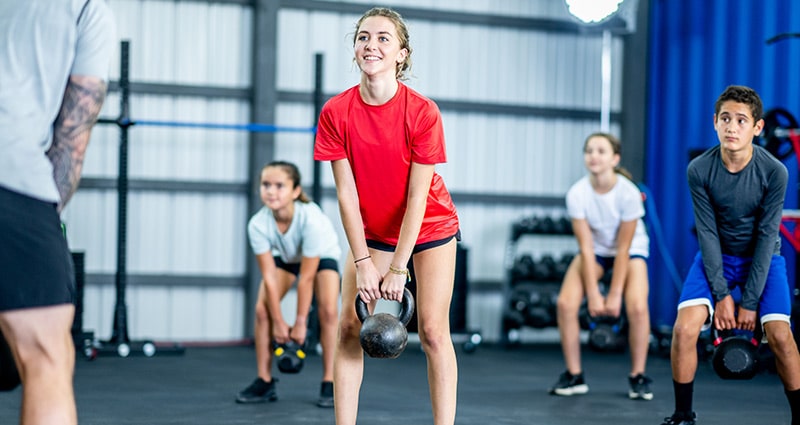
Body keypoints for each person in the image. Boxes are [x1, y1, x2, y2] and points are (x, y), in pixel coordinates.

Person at [313, 7, 461, 425]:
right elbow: (345, 193)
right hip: (373, 230)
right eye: (363, 37)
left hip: (429, 225)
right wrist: (362, 263)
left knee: (432, 332)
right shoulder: (335, 112)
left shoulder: (422, 112)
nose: (370, 45)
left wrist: (399, 268)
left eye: (382, 38)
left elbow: (417, 198)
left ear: (401, 53)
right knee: (347, 328)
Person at [0, 1, 115, 424]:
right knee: (47, 356)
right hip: (12, 178)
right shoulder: (85, 6)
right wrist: (41, 221)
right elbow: (71, 140)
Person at [660, 85, 800, 425]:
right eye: (725, 119)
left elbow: (768, 236)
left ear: (757, 127)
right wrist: (722, 295)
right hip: (716, 256)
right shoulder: (699, 169)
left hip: (763, 259)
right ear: (715, 122)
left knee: (781, 336)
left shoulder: (774, 172)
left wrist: (749, 302)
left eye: (741, 120)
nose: (731, 127)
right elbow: (706, 232)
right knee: (684, 330)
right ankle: (683, 415)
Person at [550, 132, 654, 400]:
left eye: (601, 151)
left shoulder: (629, 193)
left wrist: (614, 295)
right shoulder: (577, 194)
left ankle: (638, 376)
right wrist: (594, 293)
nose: (593, 156)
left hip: (630, 250)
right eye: (589, 151)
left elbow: (623, 248)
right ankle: (574, 375)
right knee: (565, 303)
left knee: (638, 307)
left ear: (614, 158)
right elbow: (585, 247)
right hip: (595, 251)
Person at [235, 161, 342, 408]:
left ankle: (330, 381)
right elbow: (270, 277)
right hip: (287, 257)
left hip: (322, 255)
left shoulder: (312, 220)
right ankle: (264, 381)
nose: (271, 191)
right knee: (262, 310)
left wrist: (301, 322)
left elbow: (306, 278)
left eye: (279, 186)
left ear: (295, 191)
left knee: (327, 311)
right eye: (266, 185)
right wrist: (280, 322)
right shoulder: (258, 225)